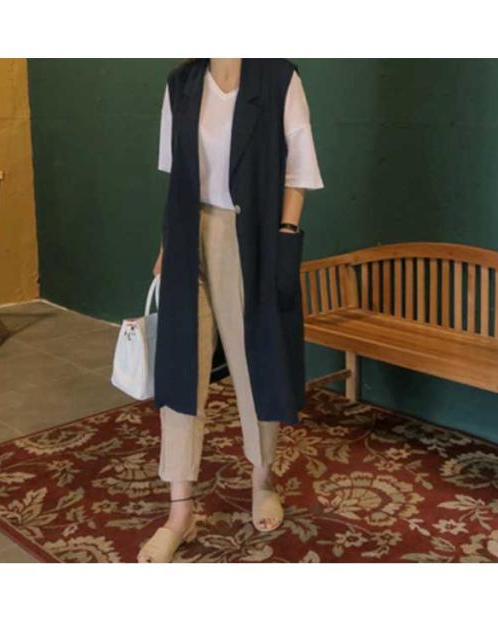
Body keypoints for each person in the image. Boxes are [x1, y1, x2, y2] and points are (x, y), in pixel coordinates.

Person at [138, 58, 324, 562]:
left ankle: (262, 480)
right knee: (180, 368)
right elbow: (177, 177)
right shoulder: (180, 84)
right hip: (187, 235)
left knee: (254, 363)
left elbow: (299, 170)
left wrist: (284, 236)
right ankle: (180, 512)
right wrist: (166, 245)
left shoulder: (279, 79)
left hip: (248, 236)